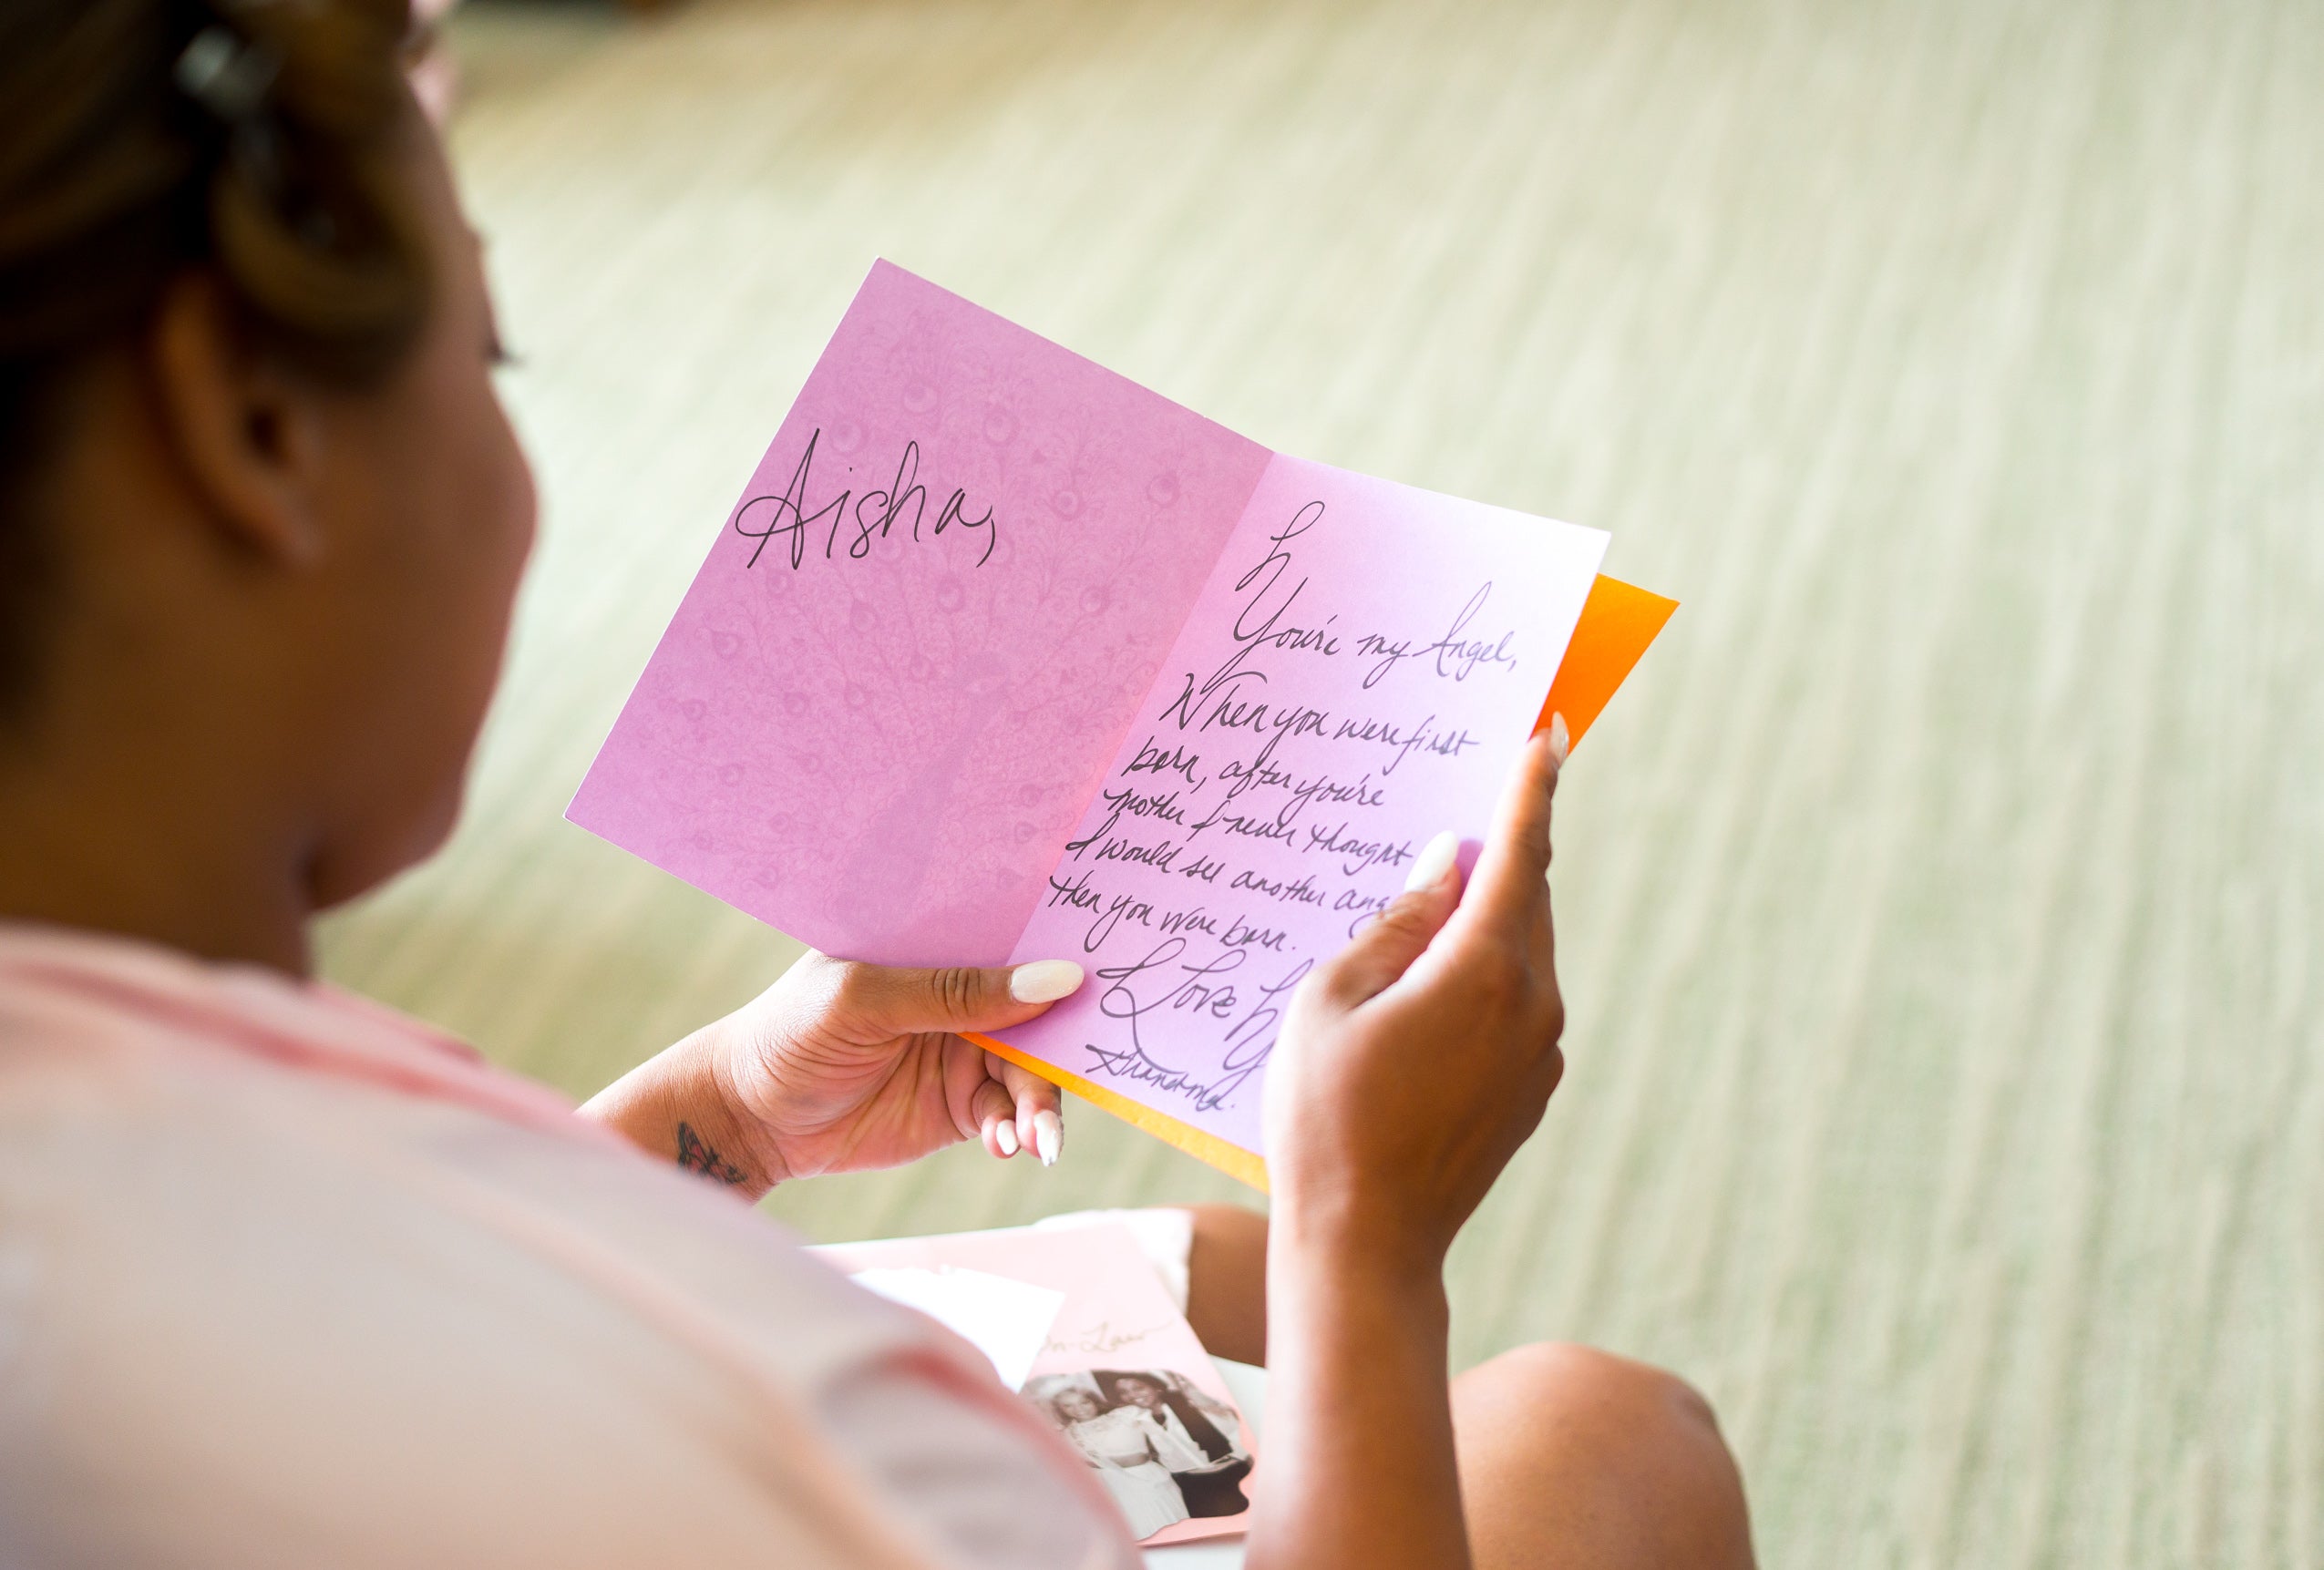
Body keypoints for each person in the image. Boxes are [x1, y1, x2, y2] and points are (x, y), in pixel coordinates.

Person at [0, 1, 1758, 1565]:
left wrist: (725, 1114)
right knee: (1606, 1428)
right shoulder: (797, 1454)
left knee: (1225, 1262)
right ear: (253, 429)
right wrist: (1372, 1246)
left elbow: (361, 1332)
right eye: (489, 354)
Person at [1098, 1371, 1252, 1519]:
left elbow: (1231, 1424)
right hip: (1191, 1484)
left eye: (1138, 1388)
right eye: (1124, 1392)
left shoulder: (1190, 1403)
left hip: (1230, 1471)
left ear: (1156, 1387)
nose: (1132, 1395)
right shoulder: (1137, 1419)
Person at [1048, 1387, 1194, 1541]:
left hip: (1150, 1482)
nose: (1078, 1409)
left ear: (1094, 1401)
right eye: (1068, 1406)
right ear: (1060, 1410)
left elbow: (1165, 1432)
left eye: (1084, 1402)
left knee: (1173, 1529)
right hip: (1114, 1490)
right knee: (1142, 1534)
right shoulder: (1065, 1435)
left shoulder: (1127, 1414)